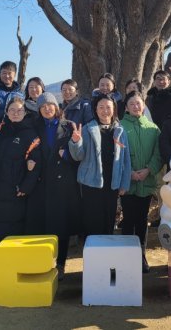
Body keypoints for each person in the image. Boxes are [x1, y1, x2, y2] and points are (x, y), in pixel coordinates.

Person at [26, 92, 81, 280]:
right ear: (39, 110)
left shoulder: (69, 126)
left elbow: (78, 154)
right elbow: (28, 149)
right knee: (42, 222)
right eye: (43, 107)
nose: (47, 109)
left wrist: (66, 155)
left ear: (56, 107)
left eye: (50, 105)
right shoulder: (33, 126)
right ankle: (43, 262)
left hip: (63, 182)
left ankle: (61, 263)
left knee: (62, 224)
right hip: (41, 182)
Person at [0, 98, 42, 247]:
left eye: (19, 110)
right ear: (6, 112)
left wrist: (26, 187)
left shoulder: (31, 134)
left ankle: (10, 258)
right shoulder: (0, 130)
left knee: (13, 225)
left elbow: (36, 163)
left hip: (16, 188)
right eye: (12, 110)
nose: (15, 113)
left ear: (25, 112)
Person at [69, 94, 132, 236]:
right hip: (91, 183)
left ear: (114, 109)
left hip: (112, 182)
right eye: (101, 107)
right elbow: (77, 156)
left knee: (109, 218)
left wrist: (124, 183)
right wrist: (75, 142)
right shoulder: (87, 129)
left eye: (108, 107)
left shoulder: (119, 130)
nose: (105, 111)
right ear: (95, 110)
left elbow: (125, 160)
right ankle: (92, 250)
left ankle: (106, 250)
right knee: (92, 218)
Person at [120, 91, 162, 273]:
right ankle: (127, 257)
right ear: (126, 108)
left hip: (146, 181)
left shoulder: (153, 128)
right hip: (127, 182)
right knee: (128, 220)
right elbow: (115, 155)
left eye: (138, 103)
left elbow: (158, 154)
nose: (136, 107)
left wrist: (148, 170)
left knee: (141, 220)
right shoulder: (119, 127)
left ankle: (141, 256)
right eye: (132, 104)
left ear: (143, 105)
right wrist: (128, 172)